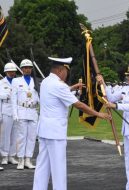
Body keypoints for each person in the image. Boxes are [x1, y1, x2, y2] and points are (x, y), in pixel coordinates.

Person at [33, 57, 110, 190]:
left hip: (44, 130)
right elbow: (78, 104)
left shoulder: (45, 81)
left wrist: (72, 87)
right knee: (59, 169)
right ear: (60, 70)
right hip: (56, 133)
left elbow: (56, 93)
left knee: (42, 166)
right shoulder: (59, 85)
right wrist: (98, 114)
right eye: (66, 71)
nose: (66, 75)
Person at [99, 64, 129, 190]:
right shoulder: (127, 88)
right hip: (128, 130)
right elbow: (110, 96)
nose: (128, 78)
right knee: (128, 161)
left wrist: (116, 106)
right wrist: (102, 82)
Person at [12, 59, 39, 170]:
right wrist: (15, 114)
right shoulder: (16, 81)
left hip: (33, 111)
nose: (27, 69)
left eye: (29, 67)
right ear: (22, 69)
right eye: (25, 68)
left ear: (31, 69)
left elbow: (39, 97)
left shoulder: (36, 81)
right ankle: (20, 160)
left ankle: (28, 159)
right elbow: (13, 98)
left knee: (32, 138)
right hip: (21, 111)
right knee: (21, 137)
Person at [0, 63, 18, 166]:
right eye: (10, 71)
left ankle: (12, 155)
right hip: (6, 110)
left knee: (14, 134)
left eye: (13, 71)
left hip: (16, 111)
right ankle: (4, 156)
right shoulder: (1, 83)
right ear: (6, 72)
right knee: (5, 135)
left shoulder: (17, 82)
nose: (12, 73)